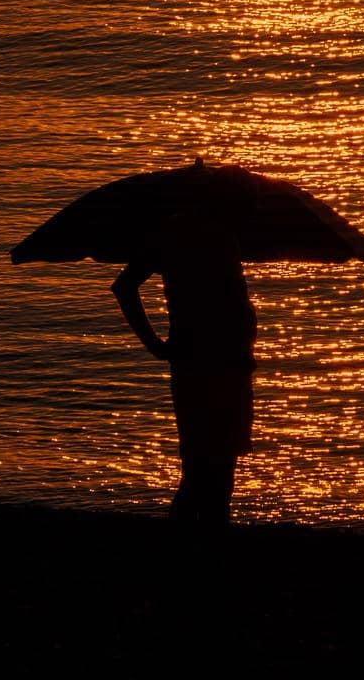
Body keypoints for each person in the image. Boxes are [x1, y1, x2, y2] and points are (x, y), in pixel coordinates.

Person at [111, 219, 256, 532]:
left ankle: (202, 541)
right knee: (205, 466)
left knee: (214, 464)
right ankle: (196, 547)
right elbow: (124, 286)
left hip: (227, 365)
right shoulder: (182, 235)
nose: (252, 208)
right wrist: (153, 344)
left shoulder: (223, 235)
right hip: (208, 366)